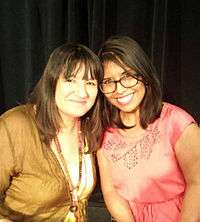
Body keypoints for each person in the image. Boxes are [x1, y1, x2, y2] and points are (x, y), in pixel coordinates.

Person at [97, 36, 200, 222]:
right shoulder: (103, 131)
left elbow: (197, 183)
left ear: (144, 75)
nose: (118, 89)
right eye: (108, 81)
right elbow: (111, 191)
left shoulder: (177, 122)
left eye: (127, 76)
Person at [0, 43, 103, 221]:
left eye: (90, 83)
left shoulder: (89, 129)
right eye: (70, 80)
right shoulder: (15, 126)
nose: (82, 92)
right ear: (52, 81)